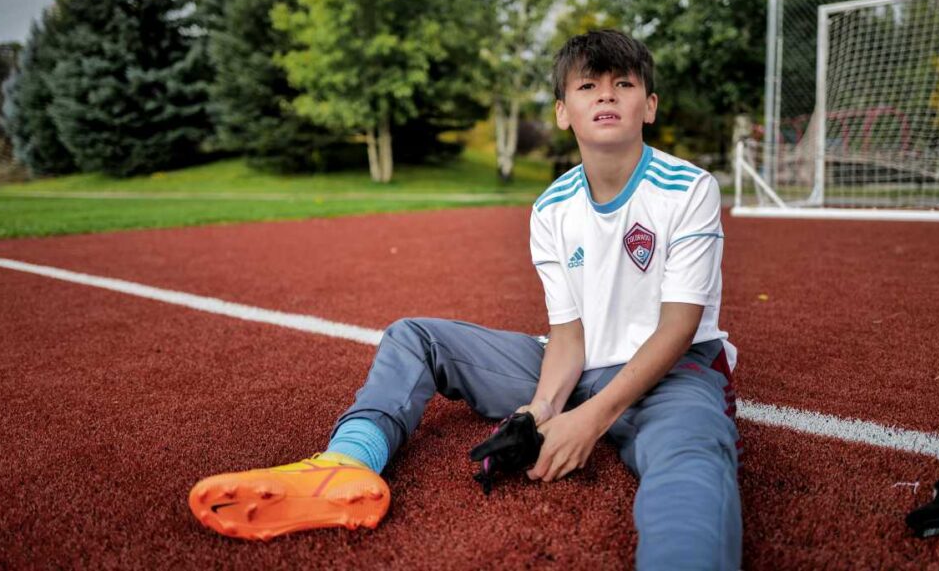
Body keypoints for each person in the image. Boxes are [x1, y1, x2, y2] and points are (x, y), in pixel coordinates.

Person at [189, 29, 742, 569]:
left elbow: (678, 327)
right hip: (573, 366)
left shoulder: (689, 189)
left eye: (623, 84)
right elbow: (569, 336)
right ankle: (348, 461)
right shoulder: (551, 208)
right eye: (587, 86)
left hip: (671, 373)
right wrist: (542, 409)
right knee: (416, 337)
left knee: (691, 462)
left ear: (649, 106)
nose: (605, 96)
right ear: (562, 112)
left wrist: (589, 420)